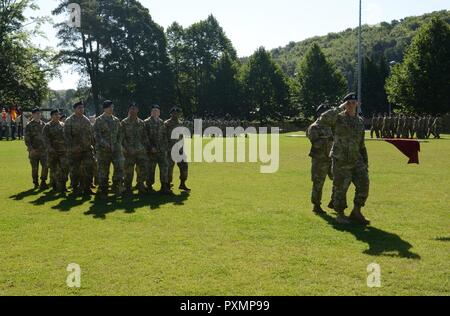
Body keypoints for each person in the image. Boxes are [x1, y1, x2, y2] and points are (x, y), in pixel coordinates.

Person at [317, 93, 370, 225]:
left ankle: (356, 211)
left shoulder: (359, 121)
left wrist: (365, 161)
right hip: (340, 159)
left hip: (356, 159)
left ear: (357, 104)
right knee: (340, 188)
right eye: (349, 103)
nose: (351, 105)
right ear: (345, 104)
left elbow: (361, 143)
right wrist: (339, 108)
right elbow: (323, 119)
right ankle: (340, 214)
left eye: (354, 102)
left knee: (364, 184)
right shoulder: (338, 118)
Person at [306, 104, 335, 215]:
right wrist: (327, 139)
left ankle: (334, 201)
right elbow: (315, 143)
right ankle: (316, 205)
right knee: (318, 183)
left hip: (331, 158)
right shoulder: (314, 127)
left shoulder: (331, 126)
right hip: (319, 159)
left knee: (338, 180)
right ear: (319, 114)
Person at [93, 100, 125, 196]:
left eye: (112, 107)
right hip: (103, 151)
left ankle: (116, 187)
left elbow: (120, 133)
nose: (111, 109)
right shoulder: (99, 120)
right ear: (105, 108)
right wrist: (105, 144)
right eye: (109, 107)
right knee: (103, 171)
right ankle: (103, 189)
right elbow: (96, 135)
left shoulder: (116, 120)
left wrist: (118, 144)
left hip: (115, 150)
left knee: (119, 167)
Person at [63, 101, 95, 195]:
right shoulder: (69, 120)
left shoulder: (86, 120)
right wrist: (73, 147)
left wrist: (91, 146)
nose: (81, 109)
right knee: (75, 171)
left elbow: (90, 134)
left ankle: (87, 188)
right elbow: (66, 136)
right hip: (74, 151)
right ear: (75, 109)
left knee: (89, 168)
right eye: (79, 108)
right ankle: (75, 189)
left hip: (87, 150)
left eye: (82, 108)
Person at [121, 103, 149, 195]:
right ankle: (127, 188)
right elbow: (122, 138)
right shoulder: (124, 122)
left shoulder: (141, 122)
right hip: (129, 152)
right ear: (129, 110)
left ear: (138, 110)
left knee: (142, 169)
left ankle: (141, 185)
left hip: (140, 151)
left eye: (135, 109)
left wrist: (145, 147)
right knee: (128, 171)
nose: (133, 110)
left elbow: (144, 137)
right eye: (131, 109)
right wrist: (127, 148)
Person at [145, 104, 172, 194]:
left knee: (164, 168)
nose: (155, 112)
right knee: (150, 169)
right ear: (151, 112)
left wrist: (166, 147)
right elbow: (145, 137)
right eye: (153, 111)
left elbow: (164, 136)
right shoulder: (146, 122)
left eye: (157, 111)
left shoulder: (162, 122)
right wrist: (150, 147)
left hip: (161, 150)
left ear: (159, 113)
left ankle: (164, 186)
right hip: (151, 151)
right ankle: (149, 186)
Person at [165, 107, 190, 192]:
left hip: (180, 150)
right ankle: (167, 185)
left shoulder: (181, 123)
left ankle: (182, 184)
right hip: (170, 150)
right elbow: (163, 137)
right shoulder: (166, 123)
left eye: (177, 113)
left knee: (184, 166)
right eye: (174, 113)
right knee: (169, 168)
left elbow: (182, 137)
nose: (176, 114)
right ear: (171, 114)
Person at [43, 110, 68, 193]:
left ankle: (63, 186)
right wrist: (49, 148)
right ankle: (54, 186)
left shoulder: (63, 125)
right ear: (51, 116)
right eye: (55, 115)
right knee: (54, 170)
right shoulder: (47, 126)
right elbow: (45, 139)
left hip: (63, 152)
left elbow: (67, 137)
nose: (57, 116)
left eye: (58, 114)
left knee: (64, 169)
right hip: (53, 152)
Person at [24, 108, 48, 189]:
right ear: (33, 115)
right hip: (34, 150)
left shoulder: (44, 125)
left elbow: (47, 137)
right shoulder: (29, 125)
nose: (38, 115)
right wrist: (31, 149)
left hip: (44, 151)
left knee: (45, 166)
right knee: (35, 168)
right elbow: (27, 138)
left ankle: (43, 181)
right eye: (36, 113)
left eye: (39, 113)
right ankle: (36, 182)